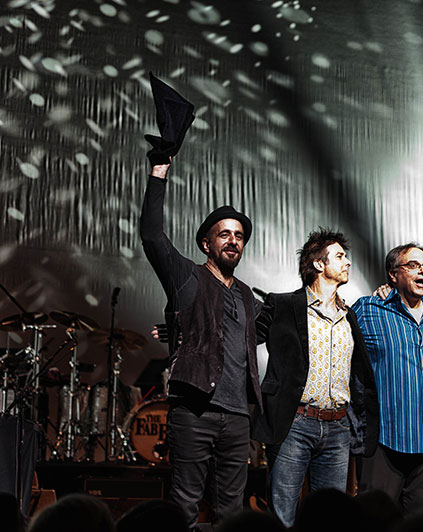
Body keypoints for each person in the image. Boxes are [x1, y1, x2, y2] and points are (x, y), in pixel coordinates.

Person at [140, 160, 263, 528]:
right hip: (195, 411)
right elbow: (152, 236)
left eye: (239, 236)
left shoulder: (247, 296)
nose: (233, 241)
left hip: (237, 417)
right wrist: (158, 173)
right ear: (207, 244)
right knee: (184, 504)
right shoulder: (187, 276)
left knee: (231, 511)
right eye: (224, 234)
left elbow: (268, 330)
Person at [255, 228, 379, 527]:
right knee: (282, 516)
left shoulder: (348, 315)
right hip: (295, 423)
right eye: (340, 256)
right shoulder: (283, 305)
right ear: (319, 264)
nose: (347, 262)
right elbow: (242, 337)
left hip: (337, 426)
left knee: (330, 518)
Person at [351, 243, 423, 518]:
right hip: (386, 439)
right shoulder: (369, 309)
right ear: (393, 275)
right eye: (413, 266)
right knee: (375, 521)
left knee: (421, 524)